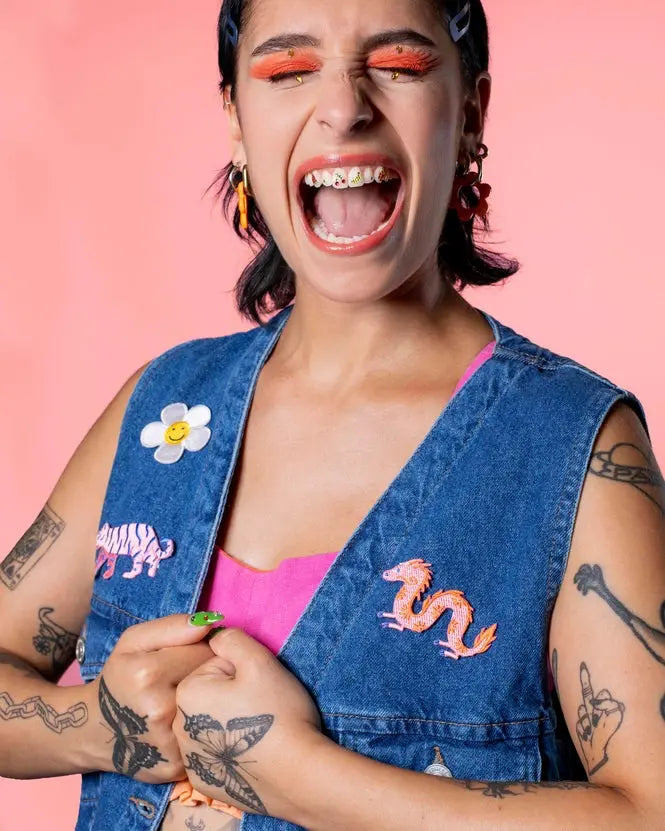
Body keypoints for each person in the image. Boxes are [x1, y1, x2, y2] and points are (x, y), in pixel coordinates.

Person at [1, 1, 663, 830]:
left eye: (398, 65)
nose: (344, 106)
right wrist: (101, 723)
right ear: (236, 121)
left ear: (469, 113)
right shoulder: (162, 408)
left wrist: (305, 776)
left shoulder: (574, 450)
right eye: (288, 69)